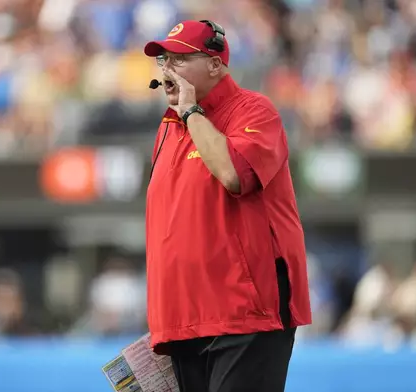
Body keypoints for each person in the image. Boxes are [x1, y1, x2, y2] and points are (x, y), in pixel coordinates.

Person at [143, 20, 312, 392]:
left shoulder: (254, 110)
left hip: (246, 316)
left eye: (179, 60)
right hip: (183, 321)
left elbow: (234, 174)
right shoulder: (167, 129)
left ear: (215, 64)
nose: (167, 70)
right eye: (163, 61)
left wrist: (191, 112)